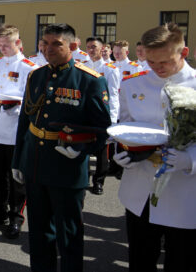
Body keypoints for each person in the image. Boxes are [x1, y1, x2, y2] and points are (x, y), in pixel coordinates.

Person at [12, 23, 111, 272]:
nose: (48, 49)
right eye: (45, 43)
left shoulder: (89, 80)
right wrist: (18, 160)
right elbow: (25, 121)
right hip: (35, 164)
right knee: (39, 232)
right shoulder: (36, 75)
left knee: (68, 236)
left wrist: (81, 150)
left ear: (73, 47)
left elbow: (102, 130)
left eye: (57, 43)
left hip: (66, 167)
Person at [115, 23, 196, 272]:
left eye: (164, 62)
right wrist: (123, 152)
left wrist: (191, 160)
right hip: (140, 189)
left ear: (183, 53)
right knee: (140, 259)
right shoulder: (132, 85)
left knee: (181, 261)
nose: (157, 68)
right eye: (151, 62)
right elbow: (125, 126)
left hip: (184, 190)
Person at [0, 25, 37, 239]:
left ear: (18, 43)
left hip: (15, 132)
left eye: (6, 45)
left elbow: (33, 101)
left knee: (16, 178)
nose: (2, 48)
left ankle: (16, 217)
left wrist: (18, 104)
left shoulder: (29, 68)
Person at [83, 37, 121, 195]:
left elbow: (113, 96)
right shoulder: (82, 67)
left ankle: (98, 181)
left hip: (101, 115)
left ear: (102, 48)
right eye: (88, 47)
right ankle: (83, 179)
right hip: (84, 115)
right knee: (83, 149)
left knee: (101, 151)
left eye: (94, 47)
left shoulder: (110, 69)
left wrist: (112, 120)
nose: (91, 50)